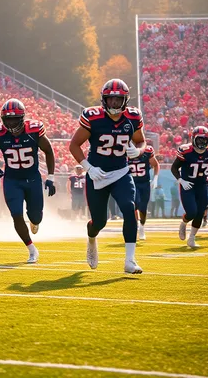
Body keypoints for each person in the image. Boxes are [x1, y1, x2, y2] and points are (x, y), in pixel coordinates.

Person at [69, 78, 146, 273]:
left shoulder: (133, 117)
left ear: (125, 100)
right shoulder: (93, 117)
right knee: (100, 222)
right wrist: (88, 167)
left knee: (130, 209)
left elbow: (141, 141)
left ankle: (130, 260)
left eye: (118, 99)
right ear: (104, 100)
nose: (114, 103)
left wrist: (139, 151)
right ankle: (92, 239)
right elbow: (74, 145)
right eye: (110, 99)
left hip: (121, 172)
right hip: (97, 174)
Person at [0, 99, 56, 263]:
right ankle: (32, 249)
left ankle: (34, 221)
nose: (11, 123)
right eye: (8, 119)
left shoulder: (33, 130)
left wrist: (51, 177)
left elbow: (49, 151)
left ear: (22, 118)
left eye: (14, 119)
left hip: (32, 179)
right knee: (16, 214)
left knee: (36, 217)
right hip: (11, 180)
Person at [171, 126, 208, 248]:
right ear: (193, 139)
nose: (202, 142)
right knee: (192, 212)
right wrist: (180, 180)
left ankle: (192, 239)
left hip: (202, 185)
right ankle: (184, 223)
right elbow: (174, 168)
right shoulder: (186, 151)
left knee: (200, 213)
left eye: (204, 140)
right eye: (199, 139)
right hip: (188, 185)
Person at [128, 144, 159, 240]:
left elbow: (155, 164)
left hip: (144, 183)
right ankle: (136, 225)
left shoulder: (147, 151)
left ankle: (142, 226)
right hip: (132, 183)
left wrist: (155, 178)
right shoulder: (125, 152)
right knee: (134, 204)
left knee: (143, 208)